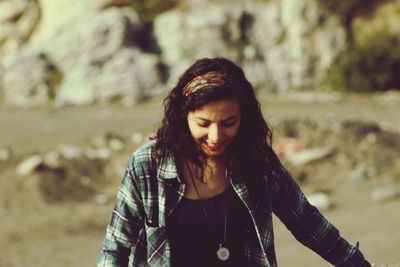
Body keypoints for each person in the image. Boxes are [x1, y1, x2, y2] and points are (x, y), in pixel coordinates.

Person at [97, 57, 371, 267]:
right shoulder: (147, 166)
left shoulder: (257, 161)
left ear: (245, 118)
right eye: (203, 123)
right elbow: (114, 249)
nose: (215, 137)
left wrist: (359, 264)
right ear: (183, 117)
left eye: (229, 123)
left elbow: (307, 223)